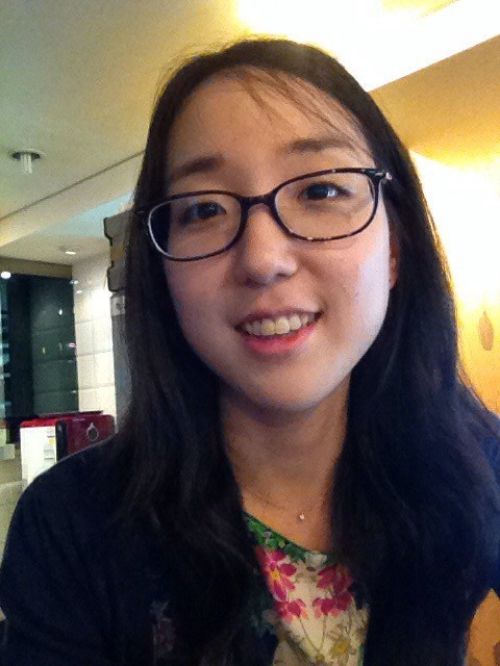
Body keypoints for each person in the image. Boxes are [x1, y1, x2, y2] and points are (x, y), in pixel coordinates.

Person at [0, 38, 498, 666]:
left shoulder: (473, 459)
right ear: (163, 272)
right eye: (204, 208)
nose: (263, 259)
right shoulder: (71, 526)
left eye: (320, 192)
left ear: (394, 249)